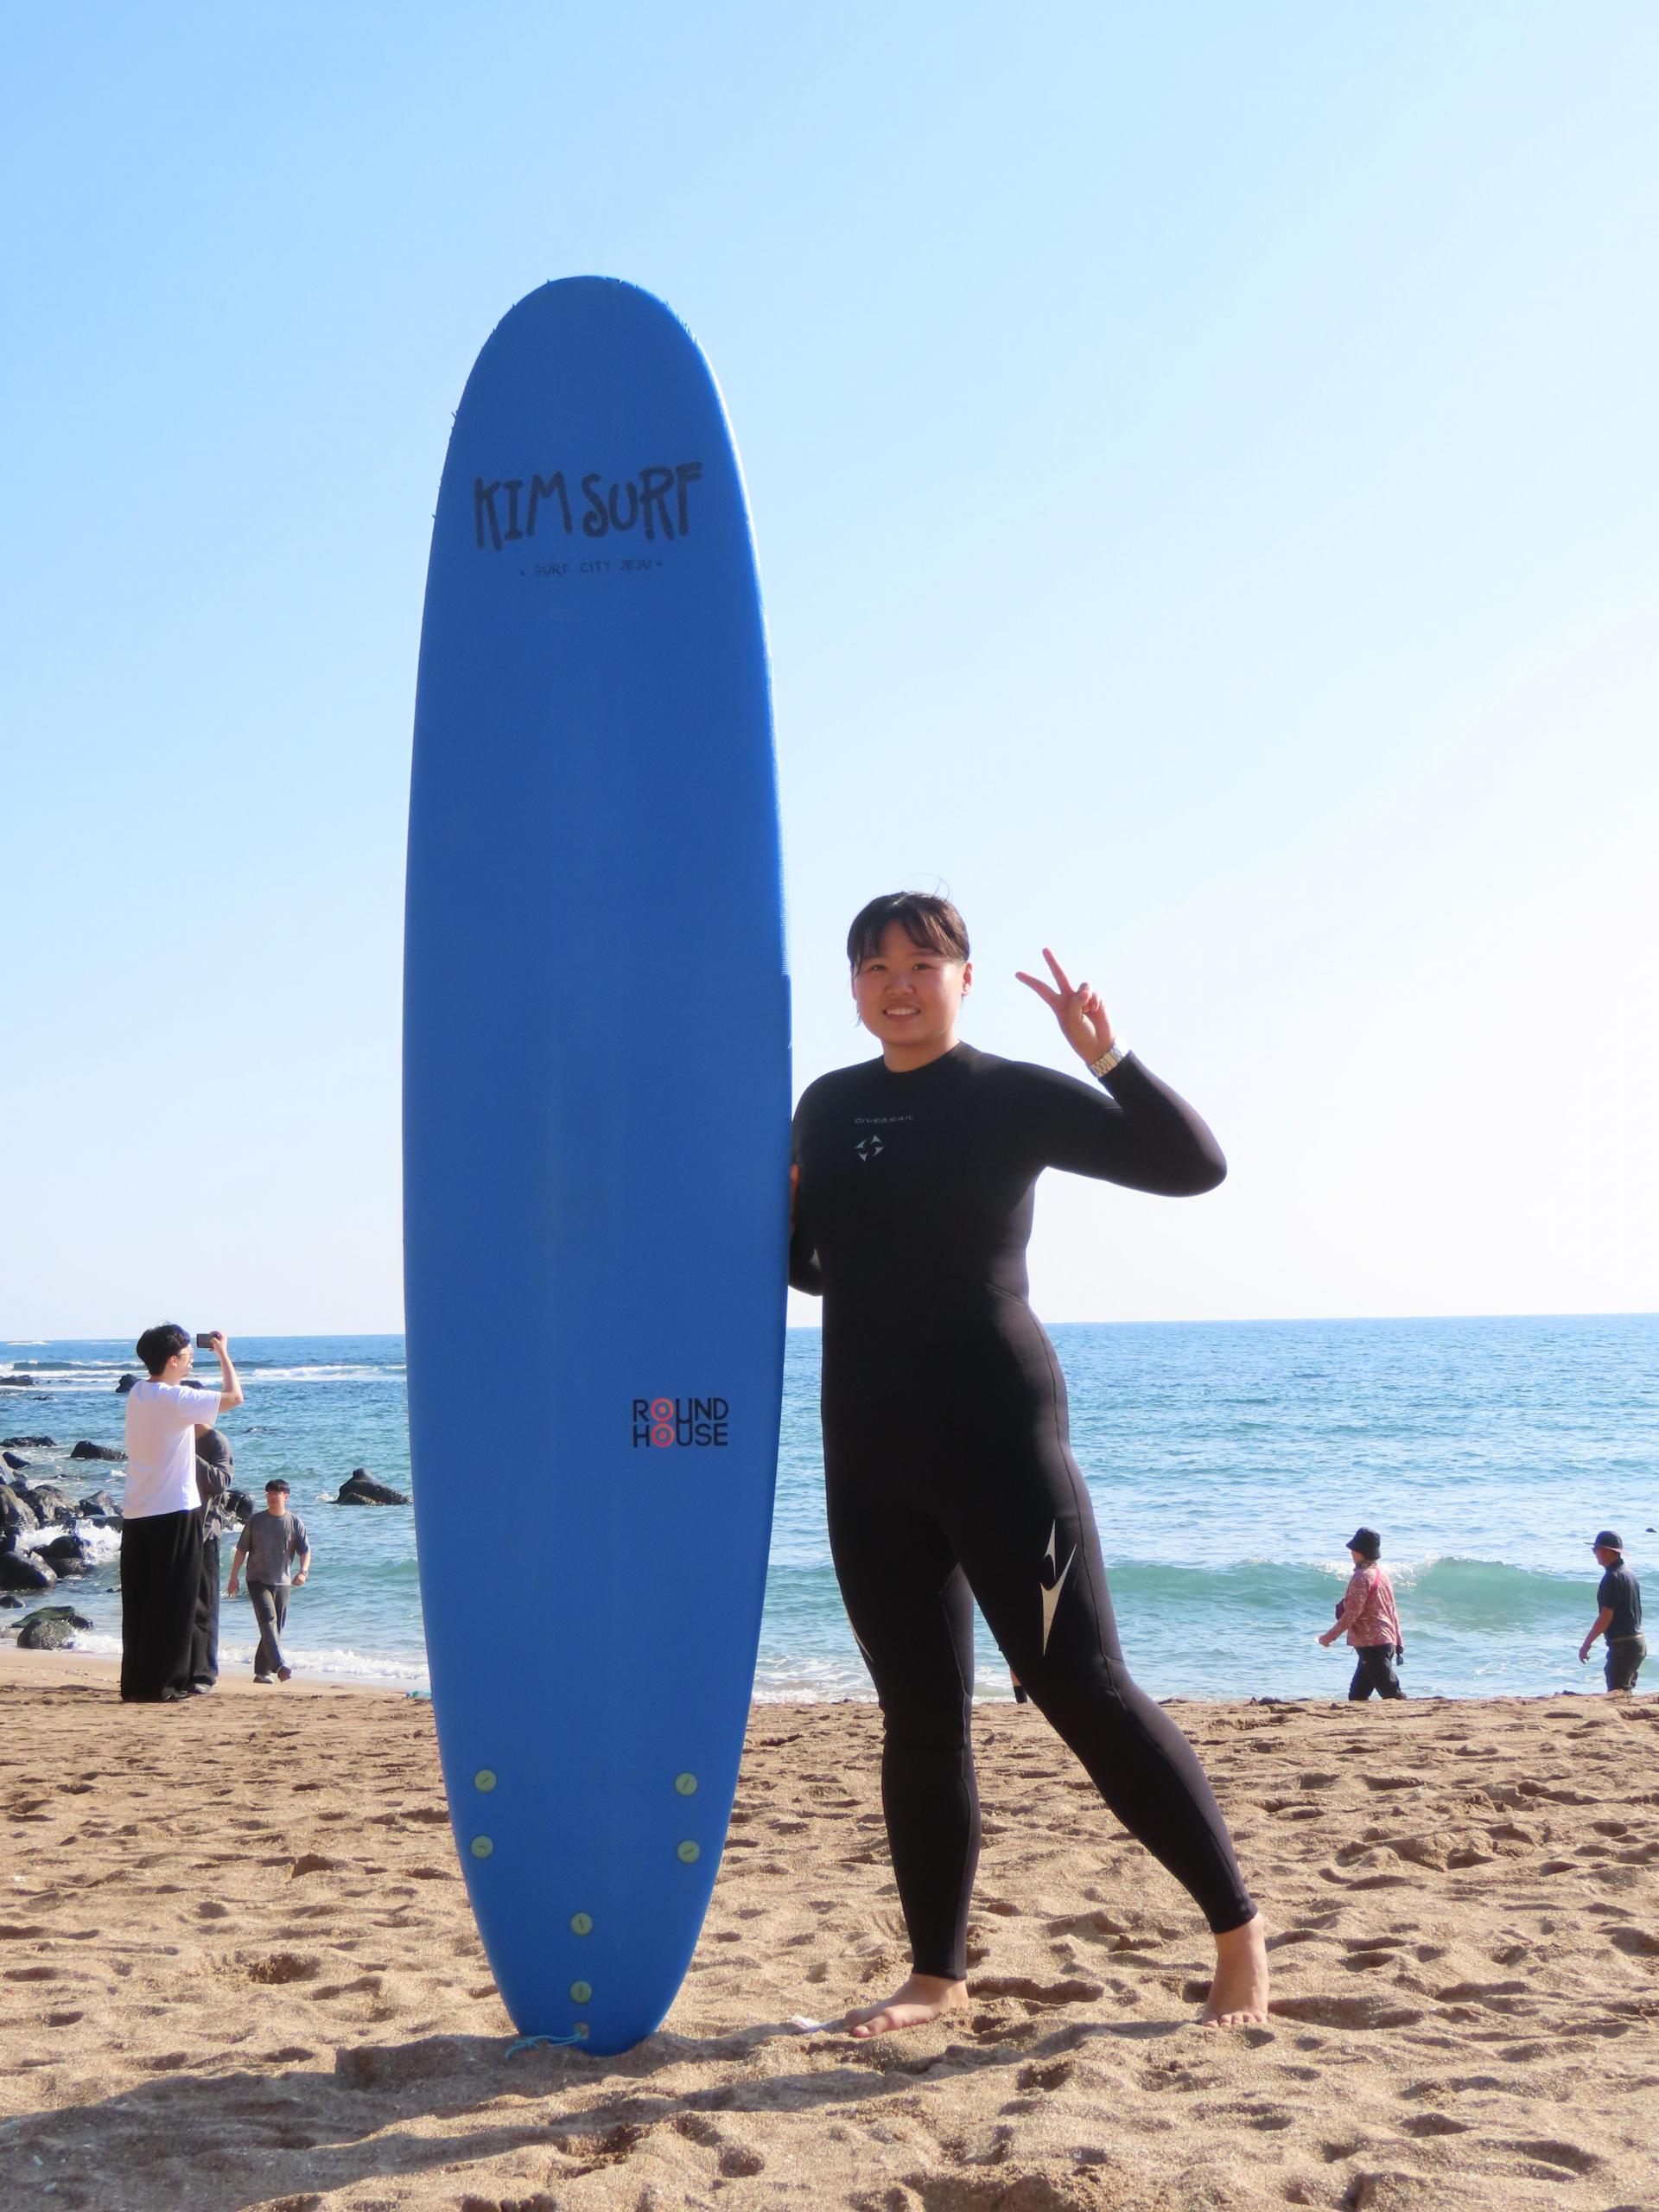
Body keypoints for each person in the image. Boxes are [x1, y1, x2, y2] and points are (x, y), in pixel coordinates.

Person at [789, 892, 1268, 2034]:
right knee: (918, 1714)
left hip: (998, 1436)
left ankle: (1239, 1935)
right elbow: (815, 1268)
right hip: (868, 1447)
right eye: (875, 966)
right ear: (853, 986)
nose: (898, 984)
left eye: (922, 963)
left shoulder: (1006, 1095)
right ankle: (935, 1977)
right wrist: (785, 1209)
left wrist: (1110, 1056)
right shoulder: (828, 1105)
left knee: (1081, 1688)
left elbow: (1193, 1166)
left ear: (964, 977)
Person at [121, 1325, 243, 1703]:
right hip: (174, 1509)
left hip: (137, 1510)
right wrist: (223, 1353)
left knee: (141, 1600)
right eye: (188, 1355)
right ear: (173, 1360)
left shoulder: (139, 1392)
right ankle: (165, 1685)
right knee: (176, 1600)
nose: (191, 1360)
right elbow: (235, 1397)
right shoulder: (175, 1398)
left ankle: (137, 1683)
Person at [227, 1479, 310, 1683]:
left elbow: (305, 1551)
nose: (272, 1497)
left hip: (282, 1582)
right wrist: (233, 1577)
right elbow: (241, 1550)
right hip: (257, 1580)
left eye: (277, 1493)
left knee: (275, 1627)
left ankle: (261, 1672)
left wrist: (303, 1572)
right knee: (268, 1620)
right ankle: (279, 1665)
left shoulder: (294, 1522)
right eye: (269, 1493)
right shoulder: (256, 1520)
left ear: (286, 1496)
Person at [1318, 1526, 1404, 1700]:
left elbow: (1352, 1614)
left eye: (1354, 1549)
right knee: (1357, 1697)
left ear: (1360, 1552)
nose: (1351, 1553)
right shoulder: (1382, 1575)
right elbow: (1392, 1610)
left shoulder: (1361, 1577)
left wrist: (1329, 1637)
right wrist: (1398, 1641)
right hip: (1384, 1641)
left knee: (1392, 1695)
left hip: (1372, 1645)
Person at [189, 1426, 238, 1693]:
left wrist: (189, 1453)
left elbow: (220, 1481)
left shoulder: (217, 1442)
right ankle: (179, 1670)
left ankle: (204, 1675)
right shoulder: (178, 1435)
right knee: (180, 1605)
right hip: (177, 1530)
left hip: (206, 1532)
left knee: (204, 1605)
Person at [1580, 1531, 1643, 1692]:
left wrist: (1586, 1644)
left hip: (1624, 1646)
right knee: (1623, 1690)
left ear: (1606, 1551)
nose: (1594, 1554)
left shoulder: (1612, 1577)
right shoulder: (1629, 1573)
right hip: (1635, 1643)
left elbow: (1606, 1616)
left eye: (1595, 1550)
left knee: (1618, 1692)